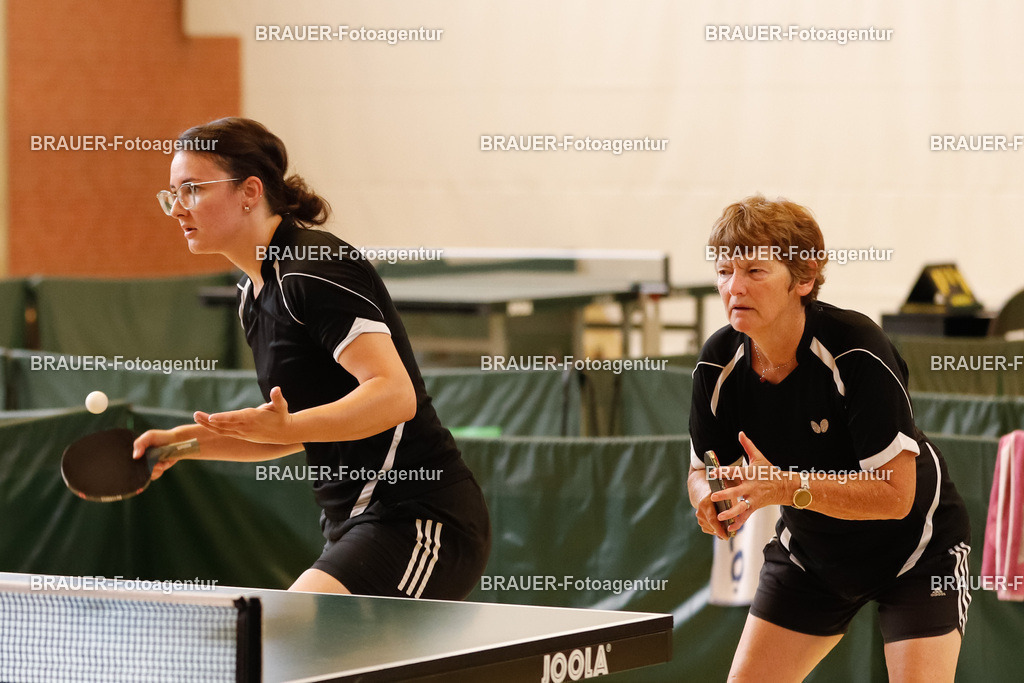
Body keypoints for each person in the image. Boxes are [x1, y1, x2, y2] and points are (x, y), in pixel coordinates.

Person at [137, 117, 490, 599]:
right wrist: (180, 445)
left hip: (420, 520)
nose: (177, 208)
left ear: (249, 191)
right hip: (353, 526)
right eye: (171, 195)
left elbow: (394, 395)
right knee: (299, 641)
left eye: (192, 190)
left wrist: (288, 427)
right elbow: (288, 433)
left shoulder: (314, 268)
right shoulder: (252, 294)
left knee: (287, 633)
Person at [687, 195, 971, 681]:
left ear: (804, 278)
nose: (734, 287)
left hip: (918, 550)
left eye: (755, 271)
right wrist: (710, 499)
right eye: (724, 271)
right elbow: (701, 471)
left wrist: (784, 487)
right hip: (812, 555)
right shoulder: (717, 364)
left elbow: (896, 495)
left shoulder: (857, 349)